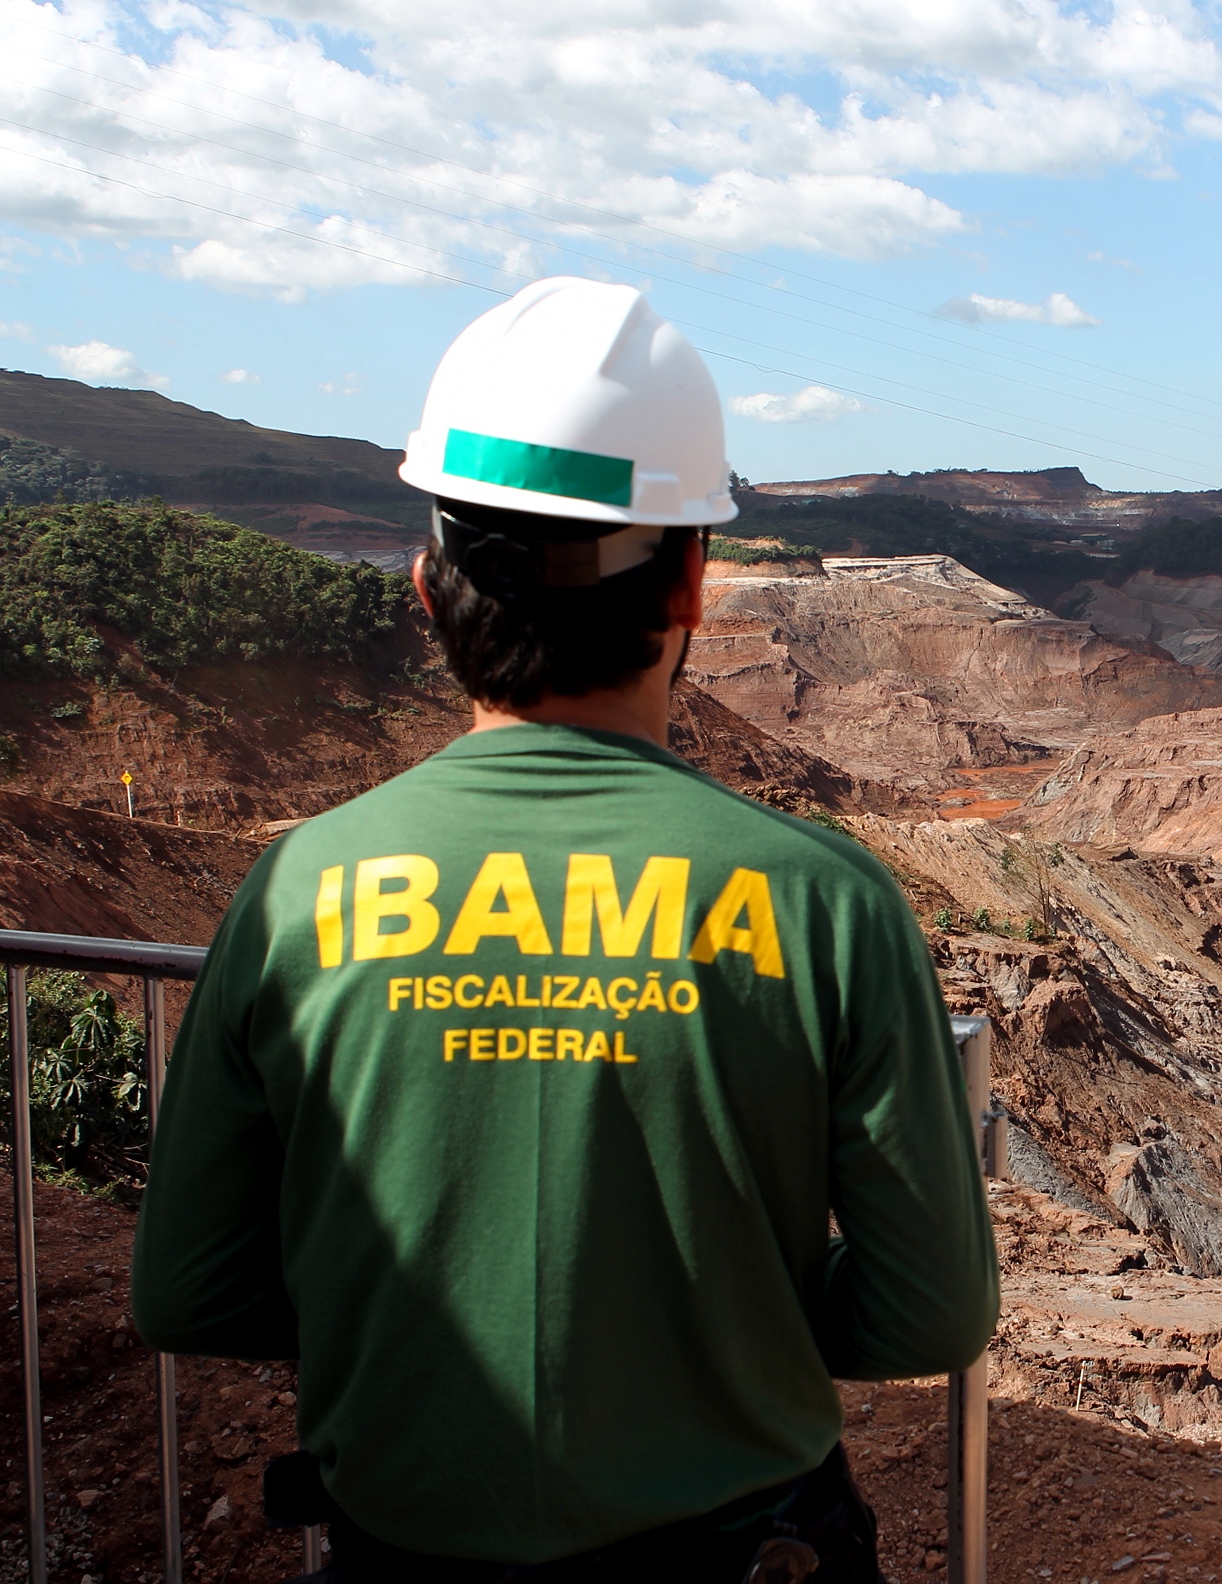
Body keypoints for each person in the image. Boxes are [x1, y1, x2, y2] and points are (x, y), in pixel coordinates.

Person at [131, 276, 998, 1583]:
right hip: (745, 1550)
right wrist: (715, 1314)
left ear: (429, 589)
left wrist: (422, 1306)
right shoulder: (829, 901)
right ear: (693, 587)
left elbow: (190, 1288)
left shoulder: (297, 888)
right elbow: (929, 1310)